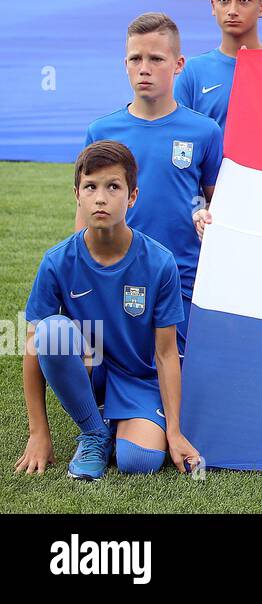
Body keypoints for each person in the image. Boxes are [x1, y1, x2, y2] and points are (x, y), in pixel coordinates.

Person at [15, 141, 202, 480]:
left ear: (132, 196)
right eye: (91, 186)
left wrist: (174, 431)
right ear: (77, 194)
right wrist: (38, 433)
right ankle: (94, 430)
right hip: (93, 369)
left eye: (113, 186)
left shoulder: (159, 263)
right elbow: (32, 349)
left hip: (140, 378)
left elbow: (166, 354)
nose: (100, 197)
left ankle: (116, 419)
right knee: (50, 332)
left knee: (139, 461)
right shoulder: (57, 262)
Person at [84, 13, 223, 358]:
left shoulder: (204, 132)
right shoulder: (102, 132)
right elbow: (86, 210)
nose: (144, 68)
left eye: (156, 59)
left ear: (178, 64)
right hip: (118, 271)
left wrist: (207, 217)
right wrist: (84, 267)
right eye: (136, 59)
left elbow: (215, 205)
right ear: (125, 64)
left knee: (178, 371)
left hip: (183, 277)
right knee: (107, 361)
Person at [175, 0, 262, 133]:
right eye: (224, 0)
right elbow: (178, 137)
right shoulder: (194, 73)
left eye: (244, 0)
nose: (232, 10)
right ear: (213, 6)